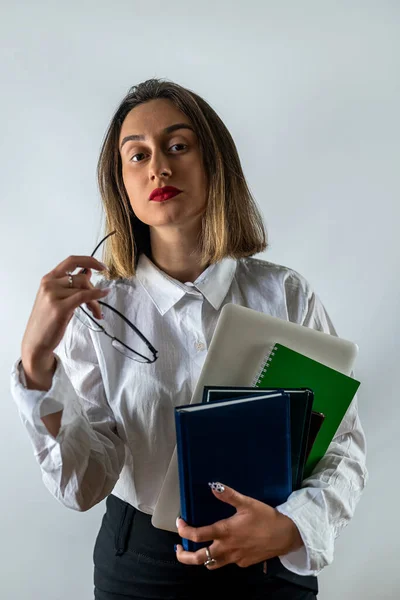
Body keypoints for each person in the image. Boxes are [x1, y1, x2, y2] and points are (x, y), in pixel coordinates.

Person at [11, 78, 368, 600]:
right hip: (142, 568)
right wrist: (37, 362)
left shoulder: (285, 294)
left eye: (178, 146)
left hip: (271, 557)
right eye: (137, 156)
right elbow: (83, 484)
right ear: (122, 185)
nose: (159, 166)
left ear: (214, 163)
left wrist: (293, 527)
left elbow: (341, 448)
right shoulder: (99, 313)